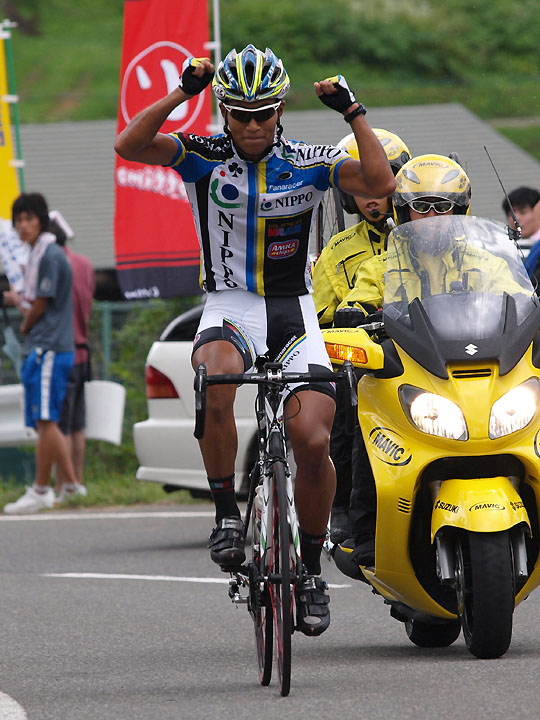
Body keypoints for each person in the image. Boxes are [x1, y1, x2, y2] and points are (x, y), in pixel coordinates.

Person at [115, 44, 395, 636]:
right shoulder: (204, 156)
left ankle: (313, 572)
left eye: (261, 112)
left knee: (314, 440)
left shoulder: (311, 159)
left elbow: (379, 180)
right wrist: (181, 94)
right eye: (238, 112)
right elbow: (129, 145)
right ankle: (224, 514)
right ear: (223, 112)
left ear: (280, 110)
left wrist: (354, 113)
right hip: (229, 305)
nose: (249, 125)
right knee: (216, 379)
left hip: (293, 312)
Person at [333, 154, 472, 573]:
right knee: (368, 430)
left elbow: (518, 299)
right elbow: (356, 299)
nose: (432, 216)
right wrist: (352, 313)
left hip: (474, 373)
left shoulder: (485, 259)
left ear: (460, 211)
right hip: (405, 374)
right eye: (422, 206)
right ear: (404, 210)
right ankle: (366, 535)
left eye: (443, 206)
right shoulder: (382, 264)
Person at [312, 129, 411, 544]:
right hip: (359, 361)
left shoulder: (427, 240)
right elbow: (317, 315)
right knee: (348, 419)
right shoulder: (338, 248)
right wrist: (343, 322)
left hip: (421, 354)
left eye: (381, 184)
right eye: (361, 186)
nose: (372, 197)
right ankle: (349, 515)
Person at [3, 193, 79, 514]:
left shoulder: (49, 255)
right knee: (46, 421)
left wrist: (24, 325)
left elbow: (40, 303)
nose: (22, 226)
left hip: (47, 346)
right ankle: (72, 486)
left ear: (42, 220)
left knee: (46, 420)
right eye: (18, 220)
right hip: (46, 347)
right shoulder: (40, 253)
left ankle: (41, 489)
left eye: (28, 218)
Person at [48, 215, 95, 502]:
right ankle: (78, 481)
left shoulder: (55, 266)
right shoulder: (85, 264)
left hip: (62, 351)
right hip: (83, 351)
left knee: (58, 424)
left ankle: (63, 486)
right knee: (77, 424)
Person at [502, 186, 540, 285]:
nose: (516, 218)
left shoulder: (537, 246)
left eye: (523, 212)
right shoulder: (504, 245)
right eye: (511, 214)